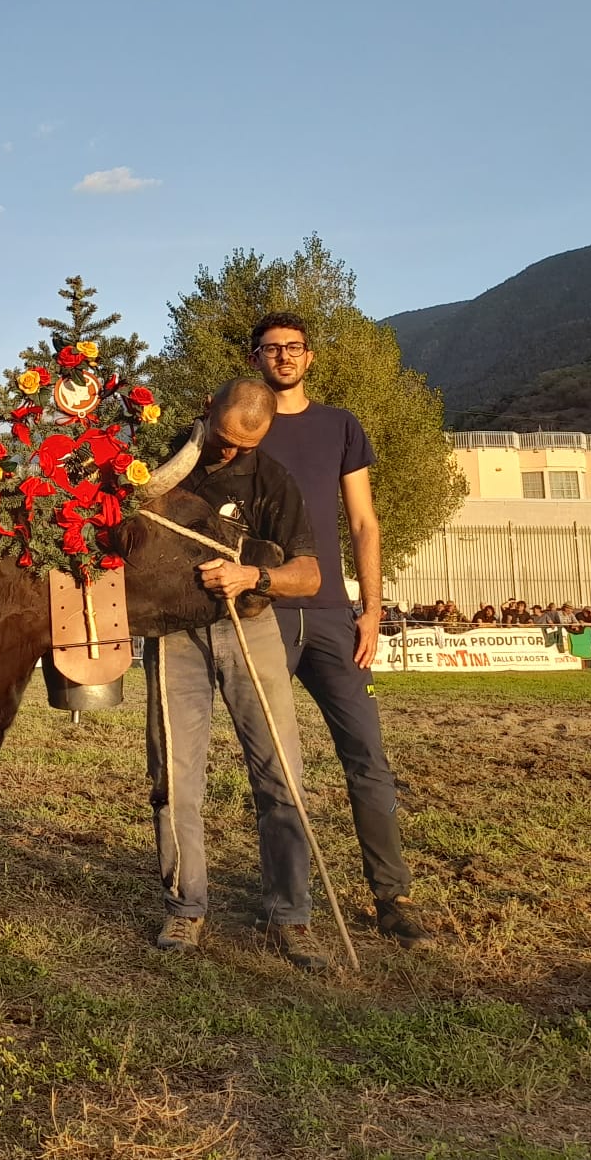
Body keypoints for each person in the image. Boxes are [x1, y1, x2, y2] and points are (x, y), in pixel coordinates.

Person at [251, 312, 427, 948]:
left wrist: (371, 607)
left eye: (294, 348)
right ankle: (287, 905)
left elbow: (364, 524)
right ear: (256, 360)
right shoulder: (242, 426)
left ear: (310, 358)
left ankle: (392, 896)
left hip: (332, 614)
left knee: (367, 756)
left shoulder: (340, 426)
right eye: (272, 349)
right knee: (275, 764)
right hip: (261, 612)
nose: (284, 358)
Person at [147, 378, 329, 969]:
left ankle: (291, 914)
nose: (230, 453)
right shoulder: (161, 466)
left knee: (281, 777)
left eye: (243, 446)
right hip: (174, 634)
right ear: (206, 410)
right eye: (223, 441)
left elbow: (310, 574)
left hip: (250, 630)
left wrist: (254, 577)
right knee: (174, 779)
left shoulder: (272, 479)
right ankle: (185, 909)